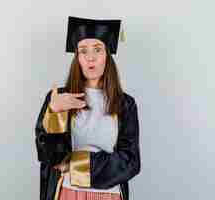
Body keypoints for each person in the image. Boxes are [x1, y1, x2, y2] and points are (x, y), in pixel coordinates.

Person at [35, 16, 141, 200]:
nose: (90, 57)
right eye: (83, 51)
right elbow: (51, 159)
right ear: (77, 57)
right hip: (67, 192)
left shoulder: (125, 104)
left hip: (109, 195)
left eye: (97, 50)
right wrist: (55, 114)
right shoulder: (59, 98)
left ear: (107, 55)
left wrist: (76, 164)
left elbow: (130, 162)